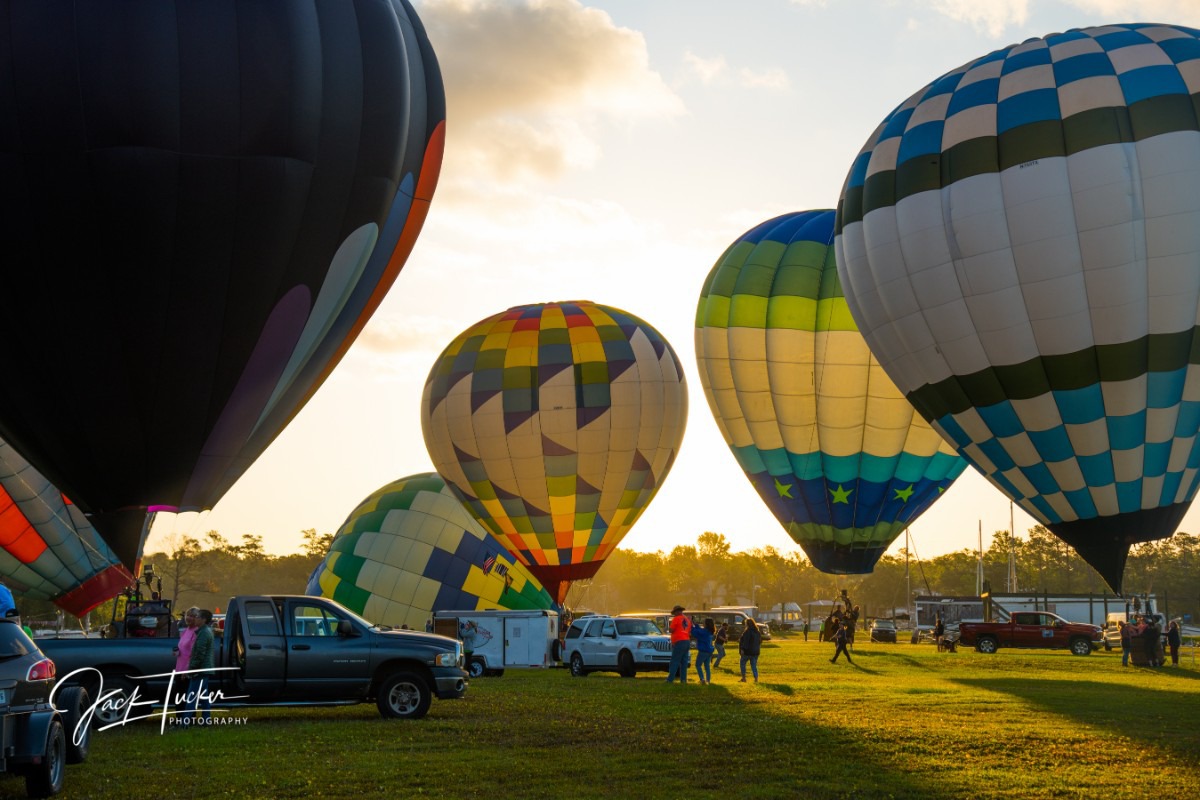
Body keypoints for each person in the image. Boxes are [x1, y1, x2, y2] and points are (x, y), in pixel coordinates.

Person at [186, 609, 216, 722]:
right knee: (204, 698)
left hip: (200, 669)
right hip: (205, 669)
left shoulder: (203, 633)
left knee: (191, 697)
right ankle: (206, 720)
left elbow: (199, 653)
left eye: (198, 617)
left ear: (204, 620)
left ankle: (185, 722)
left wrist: (192, 668)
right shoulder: (206, 631)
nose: (195, 619)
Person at [665, 605, 692, 683]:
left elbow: (671, 630)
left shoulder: (676, 619)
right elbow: (688, 631)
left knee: (675, 661)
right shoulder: (687, 620)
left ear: (676, 612)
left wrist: (668, 628)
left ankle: (670, 679)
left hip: (679, 641)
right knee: (684, 662)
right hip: (686, 641)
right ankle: (683, 680)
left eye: (674, 612)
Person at [174, 607, 200, 676]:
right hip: (179, 670)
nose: (188, 618)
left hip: (187, 672)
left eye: (191, 616)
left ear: (197, 618)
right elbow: (184, 650)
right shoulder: (186, 631)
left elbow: (195, 654)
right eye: (187, 615)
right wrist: (176, 652)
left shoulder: (196, 632)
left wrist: (187, 670)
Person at [739, 617, 762, 682]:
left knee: (742, 663)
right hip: (755, 652)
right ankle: (756, 678)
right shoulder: (757, 632)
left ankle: (744, 678)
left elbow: (746, 641)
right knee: (754, 665)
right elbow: (760, 641)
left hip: (747, 652)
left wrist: (742, 649)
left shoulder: (747, 632)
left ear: (747, 624)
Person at [692, 618, 715, 684]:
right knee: (707, 666)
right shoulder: (709, 631)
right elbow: (700, 630)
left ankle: (702, 679)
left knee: (698, 665)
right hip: (709, 651)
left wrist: (692, 626)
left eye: (704, 622)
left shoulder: (704, 632)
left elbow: (696, 632)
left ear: (706, 624)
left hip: (703, 651)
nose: (702, 624)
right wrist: (696, 625)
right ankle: (708, 680)